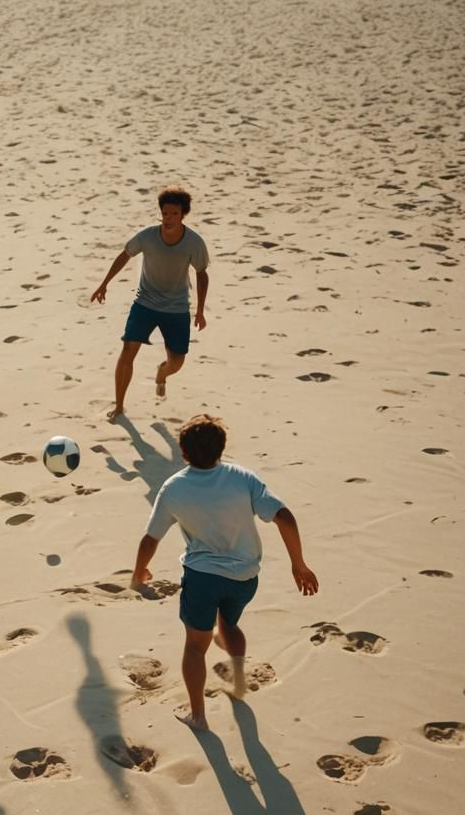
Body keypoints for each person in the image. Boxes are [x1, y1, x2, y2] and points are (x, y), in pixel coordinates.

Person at [130, 414, 318, 730]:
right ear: (222, 448)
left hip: (202, 579)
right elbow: (284, 517)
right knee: (228, 624)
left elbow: (151, 539)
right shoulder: (242, 478)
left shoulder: (174, 488)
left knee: (195, 646)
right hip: (245, 578)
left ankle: (198, 716)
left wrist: (139, 572)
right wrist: (298, 565)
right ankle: (239, 683)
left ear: (183, 452)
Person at [91, 185, 210, 421]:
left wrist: (200, 310)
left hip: (176, 307)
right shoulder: (147, 236)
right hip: (145, 302)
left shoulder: (194, 242)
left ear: (183, 214)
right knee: (127, 351)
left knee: (176, 362)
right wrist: (104, 283)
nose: (168, 218)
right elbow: (125, 255)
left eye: (174, 214)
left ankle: (161, 374)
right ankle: (119, 406)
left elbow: (201, 273)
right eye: (165, 213)